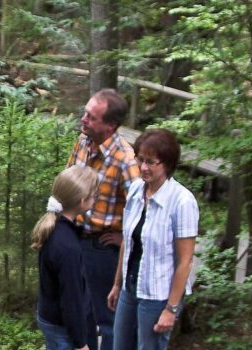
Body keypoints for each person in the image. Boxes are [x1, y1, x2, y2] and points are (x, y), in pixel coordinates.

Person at [107, 129, 199, 350]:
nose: (143, 167)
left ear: (167, 163)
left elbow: (184, 262)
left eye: (151, 162)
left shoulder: (182, 202)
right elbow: (128, 242)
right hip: (130, 287)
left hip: (157, 296)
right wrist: (117, 284)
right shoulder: (137, 190)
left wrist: (171, 309)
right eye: (140, 159)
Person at [66, 89, 140, 350]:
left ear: (110, 126)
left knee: (107, 319)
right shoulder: (83, 143)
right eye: (85, 113)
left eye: (91, 116)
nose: (84, 119)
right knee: (81, 313)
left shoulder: (125, 160)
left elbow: (144, 209)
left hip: (103, 250)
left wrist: (124, 238)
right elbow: (68, 183)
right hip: (75, 240)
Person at [33, 166, 100, 350]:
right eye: (94, 195)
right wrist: (80, 343)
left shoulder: (54, 227)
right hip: (62, 328)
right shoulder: (67, 245)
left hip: (51, 318)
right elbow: (71, 298)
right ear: (81, 201)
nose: (95, 198)